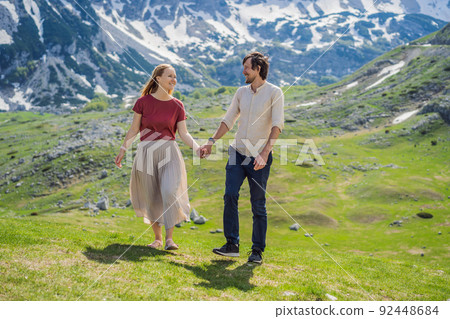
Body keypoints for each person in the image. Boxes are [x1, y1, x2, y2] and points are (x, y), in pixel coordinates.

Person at [200, 52, 284, 264]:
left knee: (258, 205)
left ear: (258, 69)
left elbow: (277, 126)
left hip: (259, 157)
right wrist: (211, 141)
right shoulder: (241, 92)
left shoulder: (275, 93)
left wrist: (265, 153)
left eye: (247, 67)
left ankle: (256, 251)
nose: (243, 71)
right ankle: (232, 244)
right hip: (237, 152)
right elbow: (228, 120)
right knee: (230, 195)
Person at [115, 64, 201, 250]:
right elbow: (134, 129)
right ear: (158, 78)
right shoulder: (143, 102)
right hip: (146, 152)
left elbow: (184, 133)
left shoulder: (178, 105)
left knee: (169, 191)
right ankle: (158, 238)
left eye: (175, 76)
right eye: (170, 76)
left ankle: (170, 239)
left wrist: (197, 148)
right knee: (152, 195)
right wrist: (123, 148)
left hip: (169, 151)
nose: (173, 80)